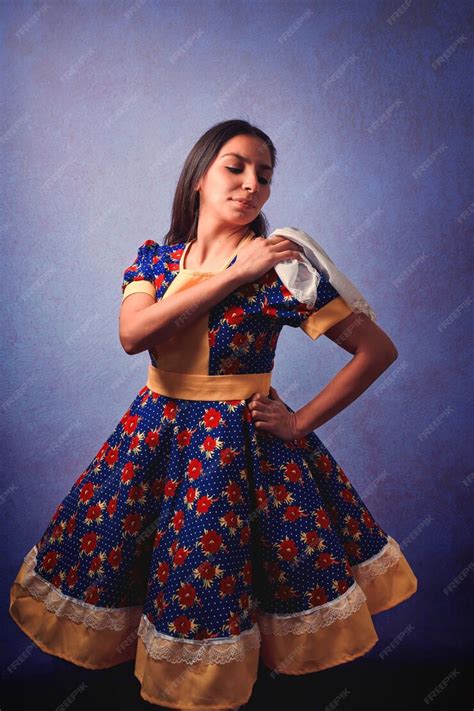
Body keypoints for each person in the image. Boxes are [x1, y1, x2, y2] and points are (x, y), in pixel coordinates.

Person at [9, 119, 417, 710]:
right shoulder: (157, 258)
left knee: (224, 590)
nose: (252, 184)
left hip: (240, 455)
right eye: (236, 167)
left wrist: (300, 424)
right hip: (153, 441)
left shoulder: (283, 265)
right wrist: (233, 276)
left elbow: (377, 350)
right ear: (200, 176)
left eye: (265, 176)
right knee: (142, 578)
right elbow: (133, 335)